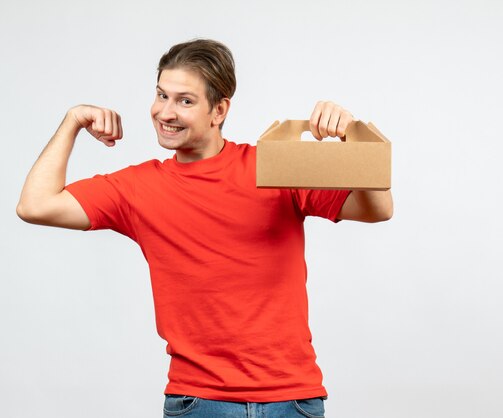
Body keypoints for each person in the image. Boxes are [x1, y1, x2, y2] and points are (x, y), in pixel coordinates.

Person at [17, 39, 393, 418]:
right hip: (198, 402)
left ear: (219, 110)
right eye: (161, 95)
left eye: (184, 100)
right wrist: (73, 121)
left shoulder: (275, 167)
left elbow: (377, 209)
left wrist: (352, 139)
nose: (165, 112)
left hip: (291, 400)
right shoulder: (137, 189)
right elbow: (35, 205)